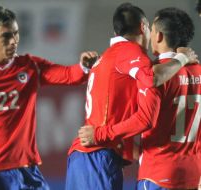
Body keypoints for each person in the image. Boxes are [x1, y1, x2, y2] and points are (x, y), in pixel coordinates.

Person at [0, 6, 99, 190]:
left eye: (16, 34)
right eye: (6, 36)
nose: (13, 41)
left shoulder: (29, 66)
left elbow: (67, 75)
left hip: (25, 168)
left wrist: (83, 67)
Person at [66, 3, 199, 190]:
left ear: (158, 35)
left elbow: (145, 117)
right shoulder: (134, 56)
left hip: (146, 170)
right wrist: (183, 58)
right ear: (142, 28)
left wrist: (100, 134)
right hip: (190, 173)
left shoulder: (117, 58)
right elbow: (151, 82)